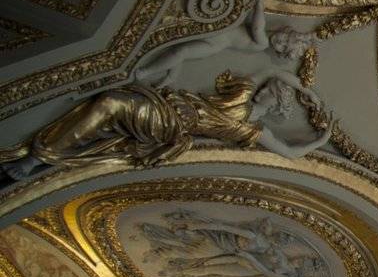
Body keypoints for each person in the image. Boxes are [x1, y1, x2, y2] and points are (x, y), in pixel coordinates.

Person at [1, 70, 332, 180]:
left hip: (169, 123)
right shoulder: (242, 94)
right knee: (104, 122)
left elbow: (290, 153)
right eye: (267, 86)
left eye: (270, 91)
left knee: (110, 103)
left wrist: (322, 139)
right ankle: (42, 158)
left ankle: (36, 159)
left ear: (276, 104)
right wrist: (308, 92)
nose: (263, 88)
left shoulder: (250, 130)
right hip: (167, 104)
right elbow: (277, 72)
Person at [132, 0, 313, 87]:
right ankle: (171, 75)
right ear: (286, 30)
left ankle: (147, 71)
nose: (280, 43)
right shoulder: (258, 32)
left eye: (283, 48)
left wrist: (259, 6)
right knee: (180, 49)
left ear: (279, 53)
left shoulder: (263, 43)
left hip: (215, 43)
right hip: (216, 32)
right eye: (285, 39)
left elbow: (257, 27)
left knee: (181, 51)